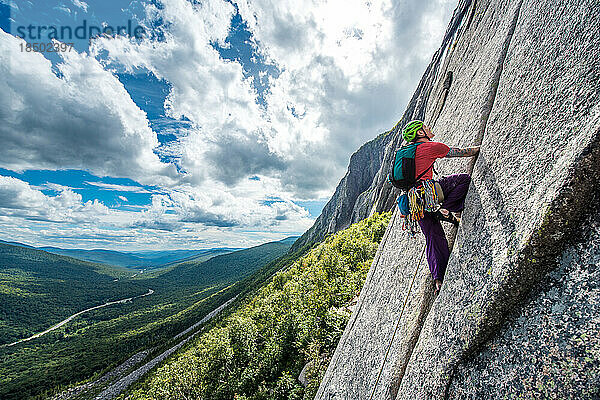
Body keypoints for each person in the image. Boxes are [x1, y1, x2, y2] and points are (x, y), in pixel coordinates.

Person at [401, 120, 479, 295]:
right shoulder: (429, 147)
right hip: (429, 194)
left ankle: (439, 279)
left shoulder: (404, 153)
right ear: (420, 134)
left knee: (432, 236)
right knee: (463, 180)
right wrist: (479, 148)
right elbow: (457, 152)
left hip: (414, 202)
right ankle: (446, 210)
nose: (429, 129)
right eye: (425, 127)